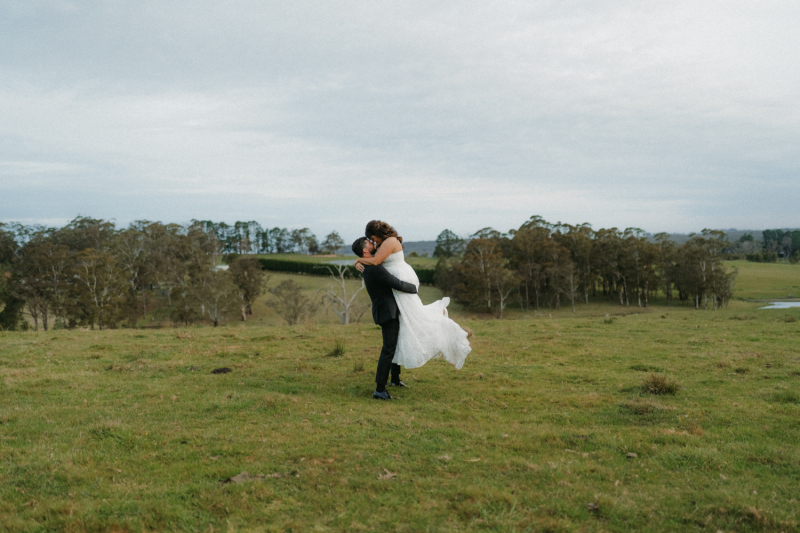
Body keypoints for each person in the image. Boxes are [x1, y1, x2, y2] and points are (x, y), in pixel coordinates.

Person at [355, 220, 471, 371]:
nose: (373, 241)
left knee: (414, 315)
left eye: (372, 238)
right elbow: (375, 260)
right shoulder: (383, 243)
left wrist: (357, 260)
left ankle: (436, 313)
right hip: (396, 280)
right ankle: (395, 377)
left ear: (375, 233)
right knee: (408, 319)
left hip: (402, 279)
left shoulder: (390, 241)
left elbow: (376, 261)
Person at [352, 236, 419, 400]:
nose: (374, 245)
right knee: (388, 349)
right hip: (387, 312)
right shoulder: (374, 268)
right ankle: (379, 390)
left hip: (387, 310)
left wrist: (357, 261)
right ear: (365, 250)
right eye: (370, 243)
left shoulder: (370, 265)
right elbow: (395, 283)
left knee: (395, 345)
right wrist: (414, 288)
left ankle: (395, 379)